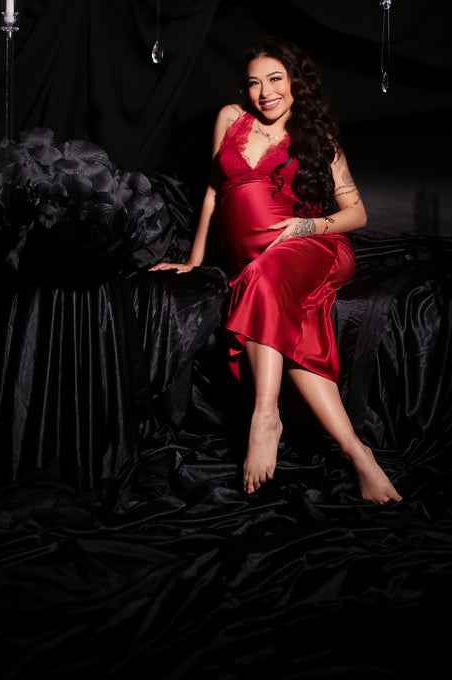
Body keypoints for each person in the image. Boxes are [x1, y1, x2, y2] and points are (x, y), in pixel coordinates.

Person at [151, 37, 402, 505]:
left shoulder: (318, 139)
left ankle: (265, 415)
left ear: (295, 83)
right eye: (254, 83)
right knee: (291, 323)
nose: (265, 92)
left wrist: (305, 226)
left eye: (275, 79)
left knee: (264, 276)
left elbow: (357, 213)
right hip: (258, 264)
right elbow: (213, 193)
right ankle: (360, 455)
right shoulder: (230, 118)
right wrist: (194, 261)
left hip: (314, 246)